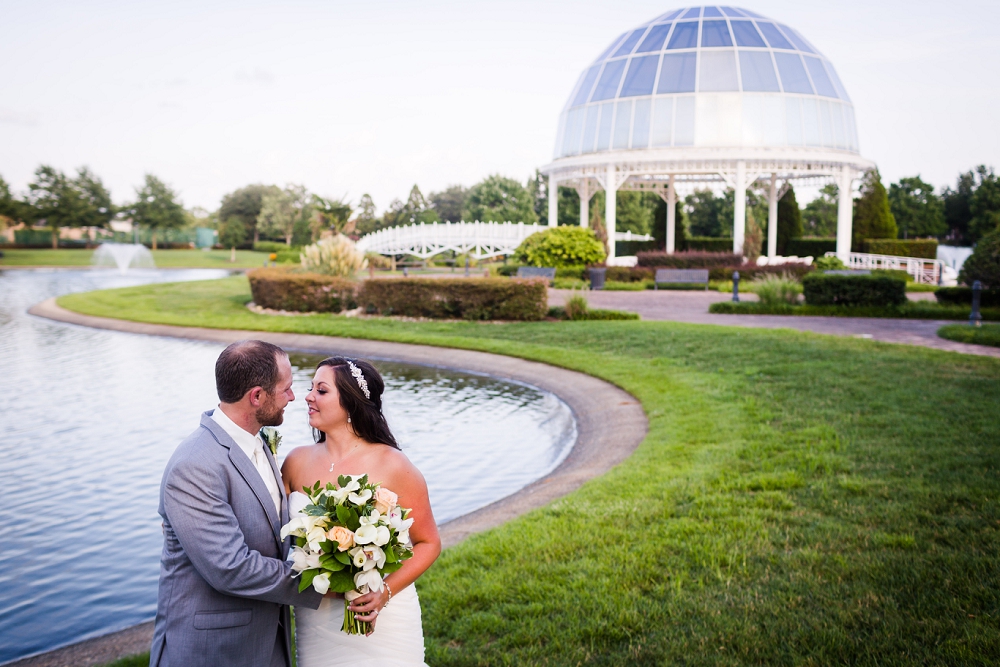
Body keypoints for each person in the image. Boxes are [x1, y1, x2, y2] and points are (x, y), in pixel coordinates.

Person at [150, 340, 325, 667]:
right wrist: (324, 582)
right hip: (213, 650)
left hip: (267, 643)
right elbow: (230, 567)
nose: (293, 397)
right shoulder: (195, 465)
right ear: (257, 397)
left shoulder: (257, 441)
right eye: (285, 389)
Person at [281, 357, 441, 666]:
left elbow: (428, 543)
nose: (308, 396)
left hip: (383, 619)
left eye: (322, 390)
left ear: (351, 403)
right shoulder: (295, 462)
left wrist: (384, 592)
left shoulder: (393, 464)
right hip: (317, 619)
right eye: (310, 387)